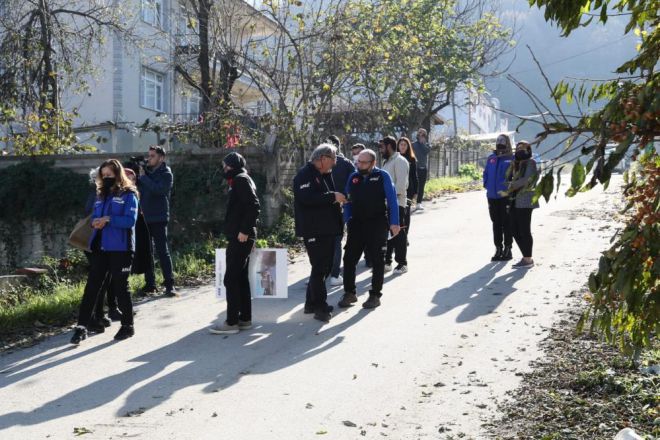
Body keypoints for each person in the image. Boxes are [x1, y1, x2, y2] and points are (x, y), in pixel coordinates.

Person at [70, 159, 139, 344]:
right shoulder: (100, 195)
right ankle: (81, 327)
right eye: (104, 175)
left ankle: (128, 325)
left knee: (120, 287)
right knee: (92, 286)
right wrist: (96, 222)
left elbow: (130, 221)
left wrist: (108, 219)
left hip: (121, 248)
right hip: (100, 247)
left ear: (118, 174)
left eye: (110, 174)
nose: (106, 178)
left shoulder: (129, 194)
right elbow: (94, 217)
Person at [338, 149, 400, 310]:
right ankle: (349, 293)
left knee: (377, 260)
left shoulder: (382, 176)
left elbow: (392, 201)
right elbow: (347, 201)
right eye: (358, 161)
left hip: (377, 223)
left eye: (363, 162)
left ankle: (375, 295)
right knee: (349, 259)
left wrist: (394, 223)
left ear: (373, 163)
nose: (359, 165)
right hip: (357, 224)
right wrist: (347, 219)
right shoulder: (353, 177)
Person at [293, 144, 345, 322]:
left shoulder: (324, 174)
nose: (335, 162)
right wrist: (332, 196)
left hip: (327, 229)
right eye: (333, 158)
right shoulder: (304, 175)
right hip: (313, 230)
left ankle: (310, 303)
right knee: (319, 268)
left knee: (323, 268)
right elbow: (306, 199)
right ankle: (320, 307)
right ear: (322, 158)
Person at [210, 152, 261, 334]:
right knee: (240, 278)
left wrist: (245, 231)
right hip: (242, 236)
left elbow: (254, 206)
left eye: (226, 166)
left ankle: (231, 322)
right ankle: (244, 319)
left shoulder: (240, 180)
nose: (224, 169)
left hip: (241, 237)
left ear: (233, 165)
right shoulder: (242, 179)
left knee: (230, 279)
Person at [138, 145, 176, 297]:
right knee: (147, 252)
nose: (149, 158)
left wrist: (143, 178)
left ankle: (170, 285)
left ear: (161, 158)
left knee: (162, 252)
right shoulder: (145, 172)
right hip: (144, 217)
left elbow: (160, 190)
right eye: (149, 155)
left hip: (159, 217)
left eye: (152, 156)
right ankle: (150, 284)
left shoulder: (166, 173)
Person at [327, 135, 357, 287]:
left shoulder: (319, 162)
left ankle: (324, 272)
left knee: (325, 240)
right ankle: (334, 274)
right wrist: (347, 197)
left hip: (323, 205)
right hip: (341, 205)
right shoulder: (346, 163)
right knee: (336, 240)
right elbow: (356, 181)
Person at [380, 135, 409, 274]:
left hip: (397, 203)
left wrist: (390, 200)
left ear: (389, 146)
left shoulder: (400, 161)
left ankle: (402, 263)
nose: (381, 150)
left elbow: (401, 185)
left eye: (382, 147)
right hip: (386, 203)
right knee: (388, 234)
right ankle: (387, 262)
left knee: (398, 232)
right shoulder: (386, 162)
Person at [483, 134, 514, 261]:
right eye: (498, 140)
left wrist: (509, 188)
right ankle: (498, 248)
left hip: (505, 196)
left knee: (507, 223)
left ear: (507, 143)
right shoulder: (492, 158)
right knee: (496, 223)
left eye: (502, 140)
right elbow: (486, 173)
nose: (499, 142)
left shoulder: (511, 158)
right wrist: (486, 184)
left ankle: (508, 248)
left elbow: (515, 175)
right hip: (492, 196)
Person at [508, 141, 539, 269]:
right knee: (514, 229)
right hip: (515, 200)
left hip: (525, 200)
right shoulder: (517, 163)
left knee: (524, 230)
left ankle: (528, 259)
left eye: (523, 148)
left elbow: (528, 179)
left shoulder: (531, 162)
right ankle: (526, 256)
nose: (520, 150)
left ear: (528, 150)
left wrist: (512, 185)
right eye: (518, 148)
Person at [396, 137, 418, 238]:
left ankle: (405, 236)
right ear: (398, 146)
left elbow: (414, 176)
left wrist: (416, 192)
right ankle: (398, 236)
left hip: (409, 190)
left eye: (405, 145)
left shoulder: (411, 159)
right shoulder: (394, 158)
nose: (403, 147)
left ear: (408, 146)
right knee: (398, 213)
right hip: (397, 189)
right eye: (401, 144)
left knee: (406, 212)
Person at [412, 128, 431, 211]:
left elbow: (426, 151)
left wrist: (422, 143)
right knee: (413, 186)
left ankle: (419, 203)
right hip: (415, 168)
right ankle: (410, 202)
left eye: (423, 134)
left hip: (423, 168)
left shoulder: (427, 145)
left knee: (421, 186)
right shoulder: (413, 145)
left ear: (425, 135)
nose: (421, 135)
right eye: (419, 133)